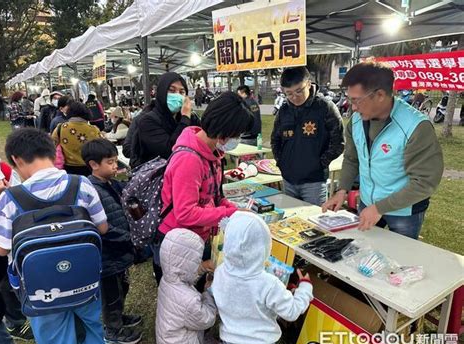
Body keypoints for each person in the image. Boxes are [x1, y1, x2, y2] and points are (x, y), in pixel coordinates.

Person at [0, 128, 109, 344]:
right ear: (51, 152)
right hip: (84, 281)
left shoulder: (10, 198)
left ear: (15, 159)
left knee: (55, 343)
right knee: (93, 332)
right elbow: (102, 227)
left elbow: (1, 248)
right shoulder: (81, 184)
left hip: (40, 291)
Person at [322, 62, 444, 239]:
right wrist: (342, 190)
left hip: (404, 211)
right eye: (350, 100)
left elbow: (424, 182)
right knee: (363, 253)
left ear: (380, 95)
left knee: (402, 259)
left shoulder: (415, 126)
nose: (353, 107)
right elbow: (351, 158)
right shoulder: (356, 121)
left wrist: (380, 207)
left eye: (356, 100)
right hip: (367, 203)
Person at [155, 92, 253, 284]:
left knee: (199, 290)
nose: (238, 139)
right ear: (224, 134)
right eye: (237, 134)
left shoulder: (212, 153)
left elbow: (214, 196)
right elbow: (185, 213)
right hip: (179, 240)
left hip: (198, 236)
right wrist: (228, 213)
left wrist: (232, 208)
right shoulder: (189, 160)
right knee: (184, 301)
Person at [212, 212, 313, 344]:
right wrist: (305, 288)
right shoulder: (269, 283)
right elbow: (291, 312)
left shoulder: (220, 272)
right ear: (264, 247)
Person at [82, 139, 141, 344]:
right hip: (107, 256)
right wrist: (129, 237)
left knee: (122, 287)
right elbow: (101, 229)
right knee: (111, 295)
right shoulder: (92, 190)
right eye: (110, 162)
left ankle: (117, 317)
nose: (116, 165)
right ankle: (112, 330)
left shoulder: (111, 184)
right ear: (93, 164)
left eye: (116, 161)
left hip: (119, 253)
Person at [271, 67, 344, 206]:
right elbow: (275, 139)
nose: (294, 97)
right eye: (289, 93)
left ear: (309, 84)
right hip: (288, 179)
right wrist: (282, 162)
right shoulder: (284, 110)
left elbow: (338, 142)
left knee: (314, 222)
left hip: (314, 182)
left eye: (299, 91)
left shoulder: (325, 107)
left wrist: (319, 164)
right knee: (289, 223)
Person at [0, 123, 32, 343]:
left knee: (7, 275)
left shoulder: (2, 168)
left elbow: (19, 193)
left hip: (3, 232)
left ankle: (15, 318)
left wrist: (4, 191)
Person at [156, 228, 217, 344]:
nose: (198, 263)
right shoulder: (189, 300)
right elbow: (207, 318)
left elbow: (182, 276)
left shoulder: (167, 279)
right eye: (196, 262)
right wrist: (208, 292)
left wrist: (202, 268)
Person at [130, 72, 200, 169]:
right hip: (158, 179)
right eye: (171, 90)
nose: (177, 95)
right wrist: (185, 119)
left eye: (182, 92)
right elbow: (170, 151)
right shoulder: (148, 121)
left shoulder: (191, 118)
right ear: (161, 92)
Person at [52, 101, 103, 176]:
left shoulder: (61, 128)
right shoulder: (94, 129)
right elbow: (101, 147)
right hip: (89, 167)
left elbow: (52, 145)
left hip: (68, 169)